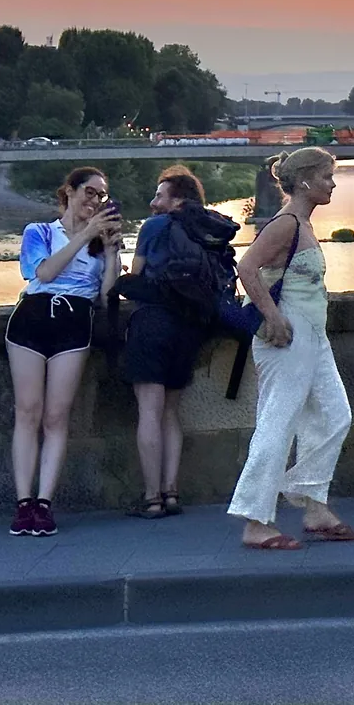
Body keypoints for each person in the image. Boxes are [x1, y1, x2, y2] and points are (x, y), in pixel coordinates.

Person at [228, 147, 354, 551]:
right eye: (326, 177)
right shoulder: (286, 223)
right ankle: (255, 522)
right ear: (304, 181)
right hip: (287, 338)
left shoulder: (303, 223)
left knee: (335, 415)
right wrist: (272, 316)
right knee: (277, 423)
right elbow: (246, 267)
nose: (332, 184)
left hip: (312, 338)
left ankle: (313, 505)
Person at [4, 166, 122, 537]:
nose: (95, 201)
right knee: (28, 411)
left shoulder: (98, 244)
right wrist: (84, 234)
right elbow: (43, 273)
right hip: (32, 319)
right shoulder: (39, 232)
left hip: (74, 323)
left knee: (56, 416)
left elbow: (107, 294)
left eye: (101, 196)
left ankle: (44, 503)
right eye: (90, 192)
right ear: (69, 191)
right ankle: (23, 502)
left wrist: (112, 252)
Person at [119, 165, 228, 519]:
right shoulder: (206, 228)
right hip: (191, 327)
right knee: (171, 411)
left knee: (149, 411)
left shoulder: (154, 227)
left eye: (159, 196)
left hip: (153, 322)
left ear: (177, 199)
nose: (153, 203)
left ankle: (152, 498)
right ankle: (172, 493)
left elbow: (136, 277)